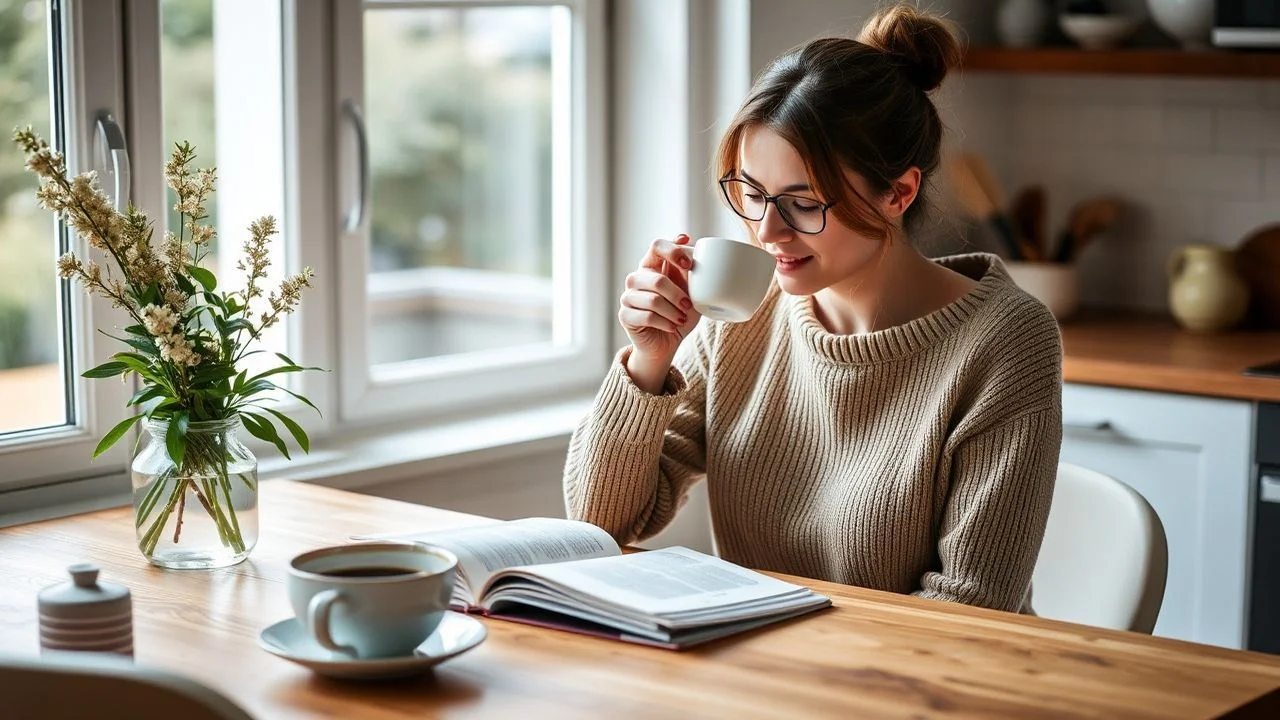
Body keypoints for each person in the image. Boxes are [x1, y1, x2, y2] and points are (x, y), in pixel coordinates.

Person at [563, 3, 1062, 614]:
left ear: (897, 193)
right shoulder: (743, 319)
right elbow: (600, 524)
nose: (766, 230)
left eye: (802, 202)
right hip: (763, 673)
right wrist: (648, 361)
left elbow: (968, 610)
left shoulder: (1008, 342)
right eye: (750, 194)